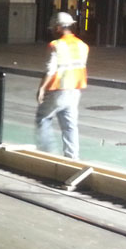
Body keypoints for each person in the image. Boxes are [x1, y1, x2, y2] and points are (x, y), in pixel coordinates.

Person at [35, 11, 89, 159]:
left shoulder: (55, 45)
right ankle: (72, 158)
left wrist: (41, 88)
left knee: (43, 118)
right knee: (70, 126)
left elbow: (50, 69)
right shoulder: (82, 45)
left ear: (58, 27)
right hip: (75, 90)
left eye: (53, 28)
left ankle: (47, 154)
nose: (52, 31)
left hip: (58, 89)